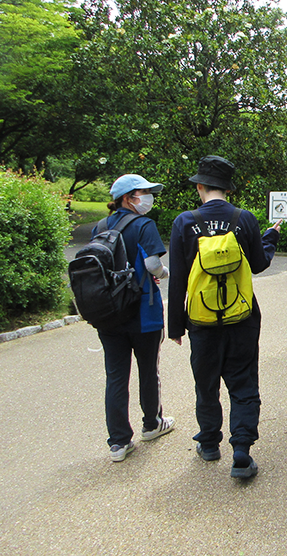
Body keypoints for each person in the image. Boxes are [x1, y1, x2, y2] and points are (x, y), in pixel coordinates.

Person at [167, 155, 281, 480]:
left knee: (206, 383)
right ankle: (242, 451)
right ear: (228, 189)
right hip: (242, 318)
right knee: (243, 382)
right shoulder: (243, 218)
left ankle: (209, 443)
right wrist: (268, 242)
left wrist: (176, 325)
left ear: (200, 187)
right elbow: (258, 264)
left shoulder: (184, 222)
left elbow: (177, 279)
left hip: (201, 322)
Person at [97, 173, 174, 462]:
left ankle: (118, 442)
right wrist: (165, 274)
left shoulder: (100, 227)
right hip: (142, 312)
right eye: (144, 193)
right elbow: (153, 264)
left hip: (108, 314)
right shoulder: (144, 225)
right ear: (129, 198)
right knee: (147, 369)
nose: (148, 198)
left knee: (116, 375)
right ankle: (152, 424)